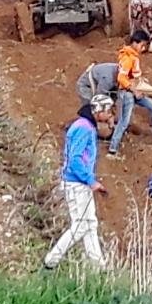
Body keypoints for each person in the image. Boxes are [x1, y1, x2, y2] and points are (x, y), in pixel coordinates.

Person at [43, 94, 114, 271]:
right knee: (81, 225)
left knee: (90, 224)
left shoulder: (84, 125)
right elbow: (75, 159)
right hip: (76, 183)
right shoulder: (84, 129)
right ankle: (51, 261)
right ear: (99, 111)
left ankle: (99, 267)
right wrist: (90, 181)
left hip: (78, 182)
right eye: (108, 111)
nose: (111, 115)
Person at [108, 30, 152, 158]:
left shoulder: (133, 57)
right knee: (124, 121)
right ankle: (112, 149)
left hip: (135, 91)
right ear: (135, 43)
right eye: (142, 45)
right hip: (127, 93)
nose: (143, 49)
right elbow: (121, 79)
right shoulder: (127, 58)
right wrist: (134, 90)